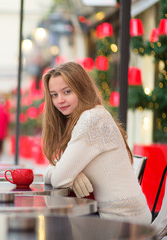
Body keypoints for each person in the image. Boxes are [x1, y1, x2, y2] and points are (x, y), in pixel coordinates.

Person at [42, 62, 151, 224]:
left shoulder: (91, 119)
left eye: (67, 91)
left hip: (123, 219)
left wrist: (64, 174)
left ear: (82, 89)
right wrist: (73, 174)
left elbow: (59, 179)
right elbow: (62, 172)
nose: (60, 100)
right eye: (54, 95)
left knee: (51, 224)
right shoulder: (93, 115)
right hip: (120, 215)